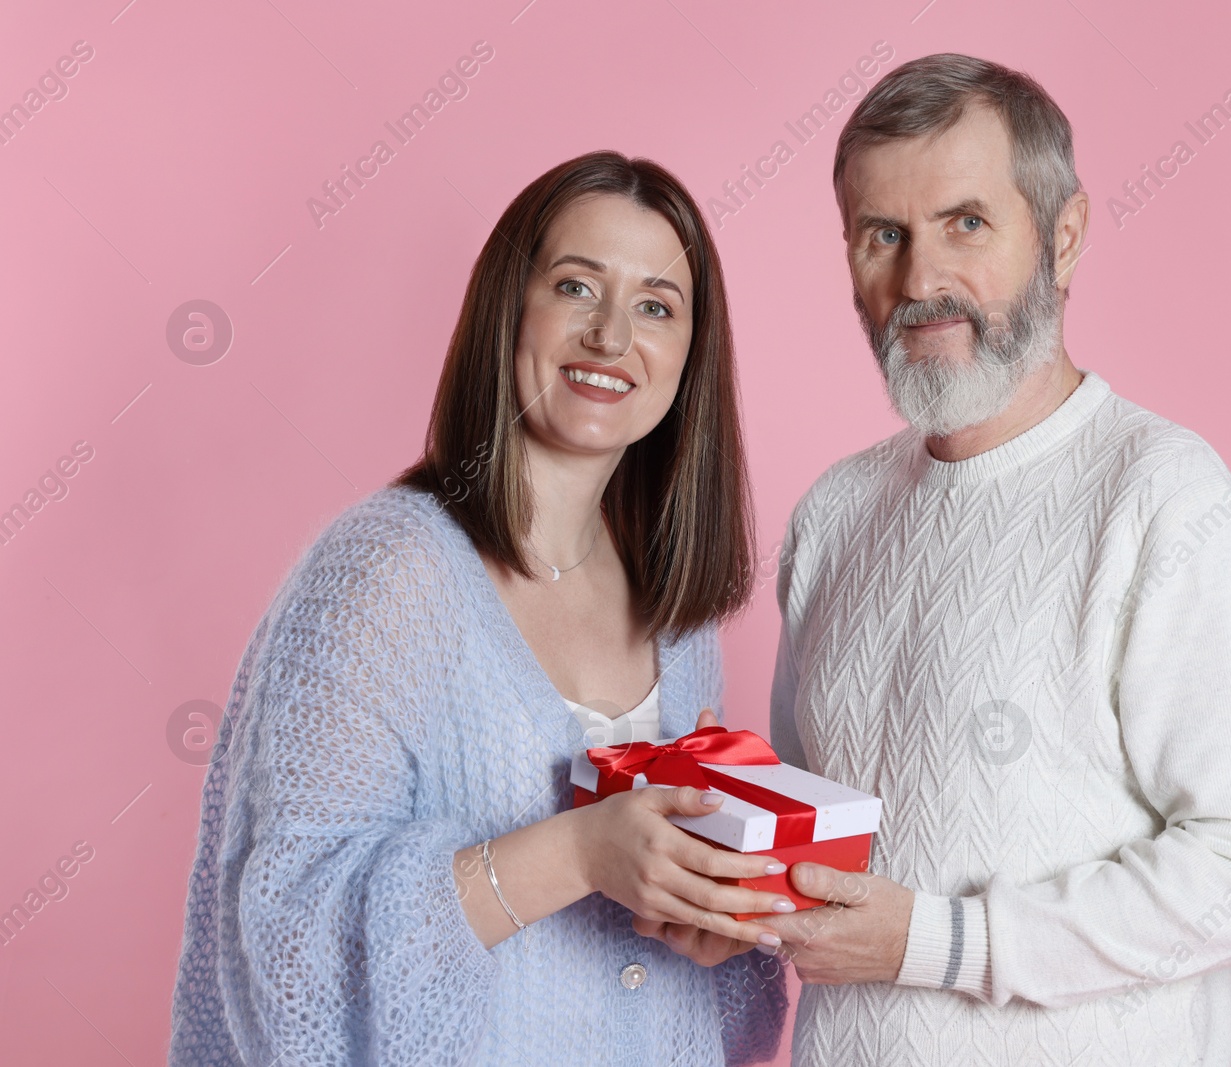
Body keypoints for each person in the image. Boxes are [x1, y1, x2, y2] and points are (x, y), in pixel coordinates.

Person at [738, 53, 1231, 1065]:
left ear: (1062, 237)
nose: (919, 281)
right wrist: (721, 900)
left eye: (966, 222)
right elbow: (816, 851)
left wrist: (944, 939)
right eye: (883, 234)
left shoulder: (1160, 496)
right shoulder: (834, 512)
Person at [167, 151, 790, 1066]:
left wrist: (714, 913)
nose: (613, 336)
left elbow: (696, 985)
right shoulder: (384, 574)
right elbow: (288, 934)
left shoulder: (674, 608)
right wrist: (578, 854)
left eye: (657, 305)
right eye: (578, 287)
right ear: (511, 309)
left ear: (690, 358)